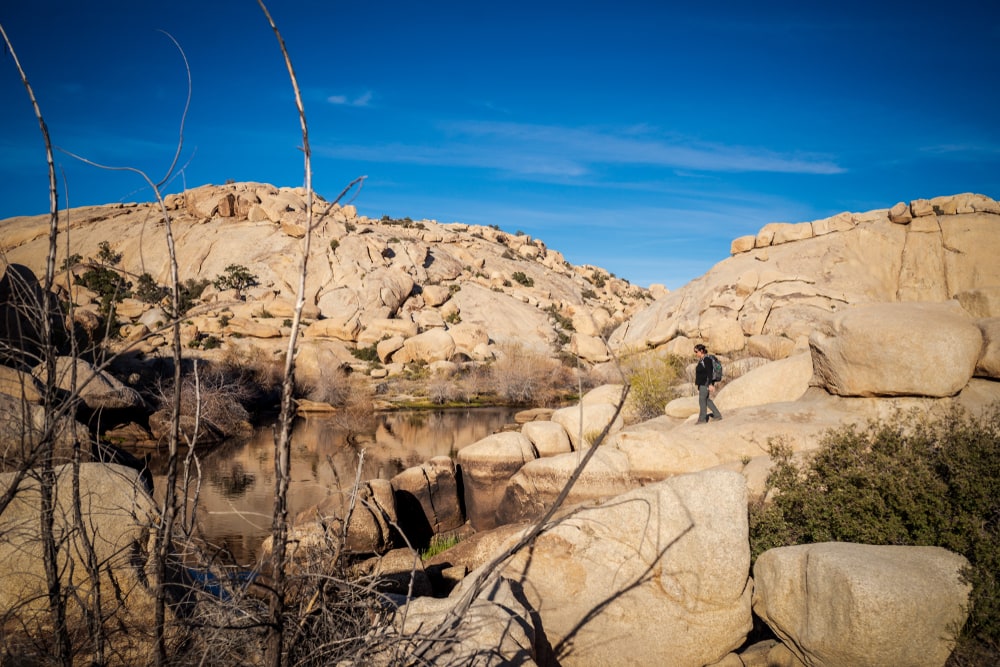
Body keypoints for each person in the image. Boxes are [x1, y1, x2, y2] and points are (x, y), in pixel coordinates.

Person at [694, 344, 722, 423]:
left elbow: (710, 373)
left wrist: (710, 384)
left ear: (701, 351)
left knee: (702, 400)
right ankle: (717, 415)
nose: (695, 353)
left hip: (705, 383)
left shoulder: (707, 360)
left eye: (696, 352)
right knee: (706, 400)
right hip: (702, 384)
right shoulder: (702, 360)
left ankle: (702, 419)